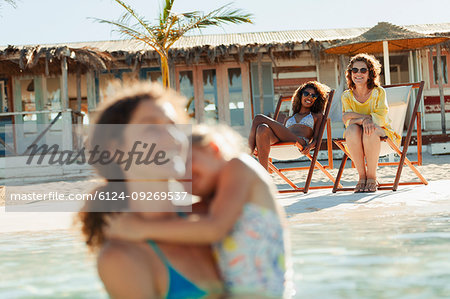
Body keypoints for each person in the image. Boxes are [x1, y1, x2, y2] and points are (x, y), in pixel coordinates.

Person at [104, 124, 292, 298]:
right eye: (178, 171)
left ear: (213, 148)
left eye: (188, 162)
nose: (184, 176)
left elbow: (214, 229)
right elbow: (177, 218)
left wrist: (141, 228)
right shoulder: (217, 199)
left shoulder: (238, 167)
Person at [78, 82, 224, 299]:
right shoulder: (122, 257)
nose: (171, 136)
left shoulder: (210, 215)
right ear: (115, 149)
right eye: (151, 127)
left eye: (173, 124)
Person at [341, 53, 401, 193]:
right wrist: (365, 118)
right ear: (350, 74)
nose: (358, 73)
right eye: (354, 70)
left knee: (371, 129)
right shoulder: (347, 96)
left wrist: (362, 119)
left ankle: (372, 177)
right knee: (351, 130)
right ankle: (362, 177)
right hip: (357, 135)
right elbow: (347, 120)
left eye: (363, 70)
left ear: (370, 73)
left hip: (382, 132)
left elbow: (380, 118)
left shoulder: (378, 92)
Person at [248, 81, 329, 170]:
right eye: (306, 93)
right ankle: (263, 174)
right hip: (284, 142)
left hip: (299, 143)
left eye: (313, 96)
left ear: (316, 99)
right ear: (300, 95)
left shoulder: (317, 116)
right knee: (262, 128)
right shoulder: (288, 118)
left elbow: (317, 139)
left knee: (258, 118)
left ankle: (247, 156)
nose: (309, 97)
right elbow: (283, 134)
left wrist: (309, 147)